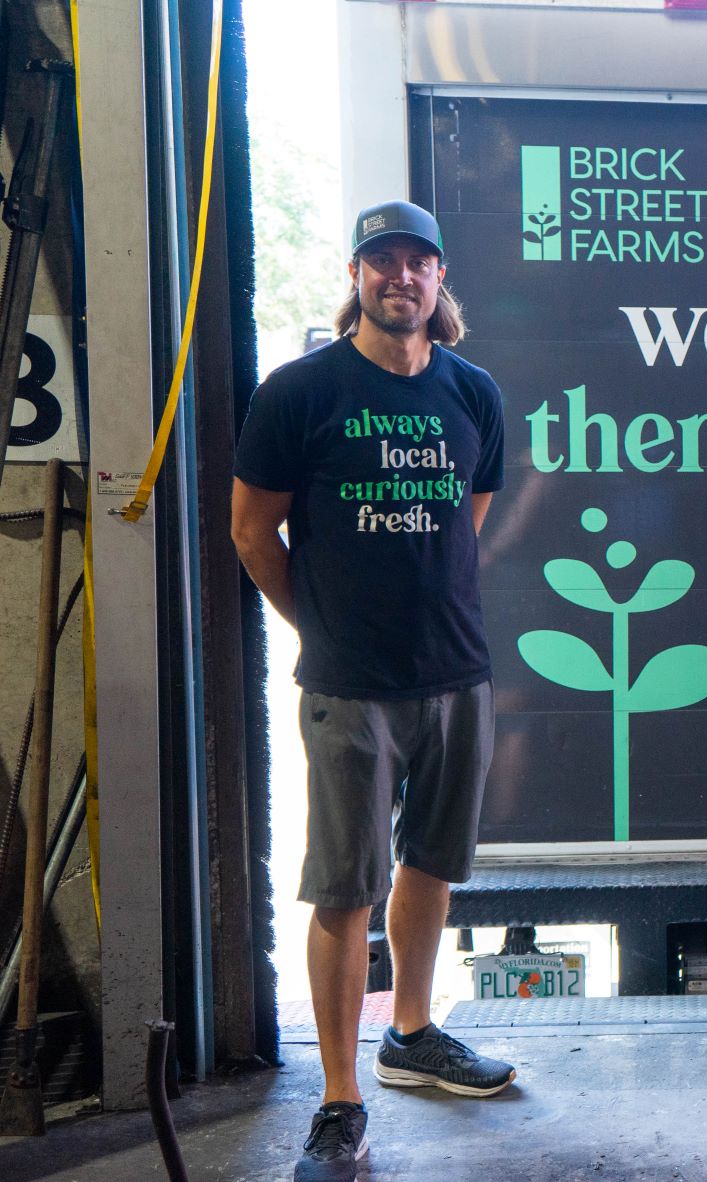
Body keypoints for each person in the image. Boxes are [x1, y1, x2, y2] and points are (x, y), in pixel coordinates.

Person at [232, 200, 512, 1182]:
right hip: (348, 684)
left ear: (440, 282)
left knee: (430, 868)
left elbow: (465, 519)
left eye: (419, 262)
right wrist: (324, 624)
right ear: (355, 276)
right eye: (381, 260)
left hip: (456, 675)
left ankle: (415, 1035)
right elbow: (252, 533)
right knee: (345, 889)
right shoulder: (300, 393)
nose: (402, 277)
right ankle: (340, 1102)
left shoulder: (472, 394)